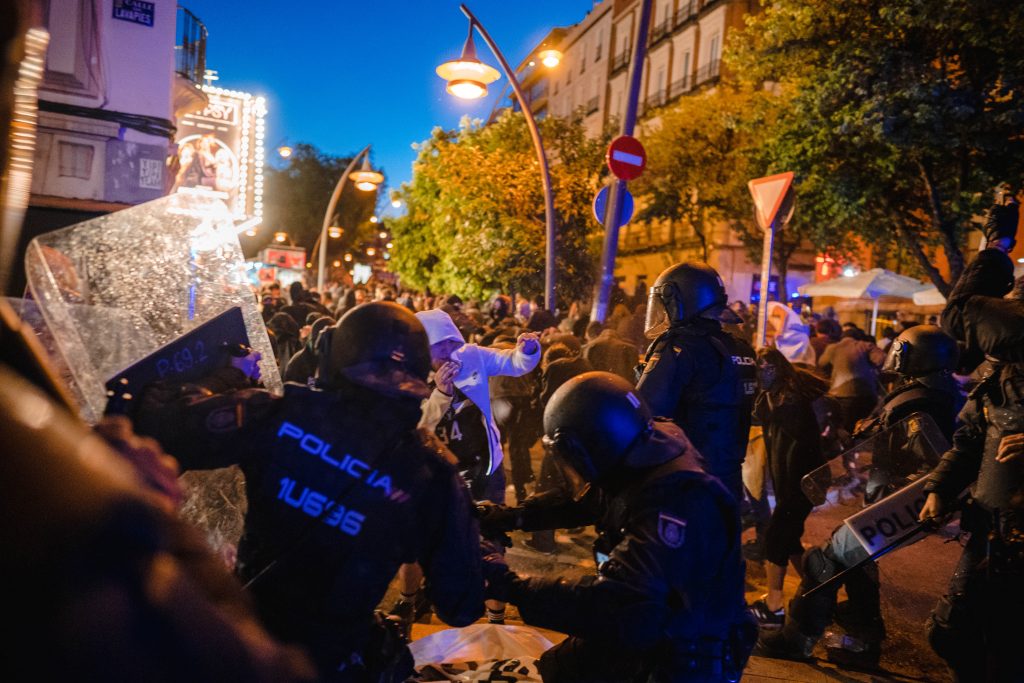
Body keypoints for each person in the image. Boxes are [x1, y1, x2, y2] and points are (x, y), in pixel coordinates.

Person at [133, 302, 485, 680]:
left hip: (249, 645)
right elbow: (461, 605)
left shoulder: (280, 416)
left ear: (330, 354)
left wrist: (228, 377)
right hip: (337, 661)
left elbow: (158, 421)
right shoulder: (432, 474)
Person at [480, 372, 756, 681]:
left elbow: (615, 606)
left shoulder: (674, 503)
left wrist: (511, 585)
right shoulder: (641, 451)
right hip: (653, 624)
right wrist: (510, 517)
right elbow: (591, 499)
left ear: (597, 447)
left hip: (685, 654)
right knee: (555, 671)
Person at [760, 324, 960, 668]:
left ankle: (798, 639)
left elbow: (919, 456)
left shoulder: (920, 399)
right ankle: (864, 643)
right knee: (857, 563)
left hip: (901, 500)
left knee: (824, 560)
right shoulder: (939, 392)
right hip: (899, 500)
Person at [918, 211, 1024, 681]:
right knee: (952, 631)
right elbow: (969, 439)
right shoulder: (999, 376)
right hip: (989, 531)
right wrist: (940, 487)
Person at [636, 262, 753, 502]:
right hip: (729, 475)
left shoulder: (679, 346)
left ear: (678, 299)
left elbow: (646, 410)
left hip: (686, 478)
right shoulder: (739, 347)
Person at [748, 348, 830, 629]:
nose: (761, 373)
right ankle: (817, 592)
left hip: (802, 481)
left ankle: (774, 607)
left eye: (765, 368)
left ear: (777, 368)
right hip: (792, 481)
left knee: (776, 537)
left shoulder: (790, 399)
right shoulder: (773, 396)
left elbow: (800, 444)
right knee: (790, 538)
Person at [817, 328, 886, 434]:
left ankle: (848, 448)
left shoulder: (833, 347)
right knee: (865, 429)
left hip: (840, 395)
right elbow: (881, 359)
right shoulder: (866, 345)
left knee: (844, 429)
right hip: (866, 394)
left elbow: (821, 364)